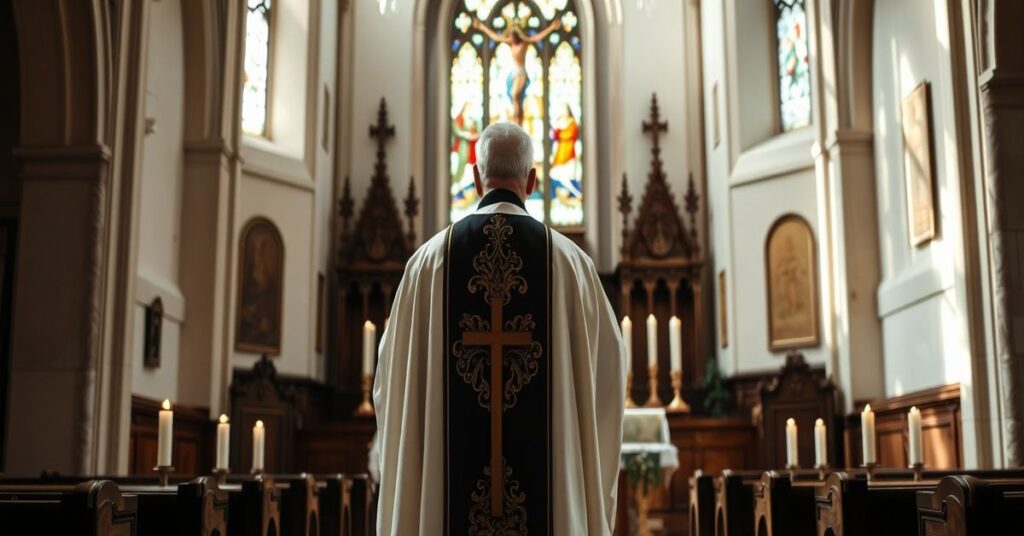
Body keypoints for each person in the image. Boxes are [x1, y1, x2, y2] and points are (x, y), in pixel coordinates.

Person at [374, 122, 626, 535]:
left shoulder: (424, 265)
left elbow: (388, 384)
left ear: (474, 177)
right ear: (532, 179)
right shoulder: (572, 266)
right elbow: (609, 383)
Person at [473, 16, 562, 124]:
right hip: (514, 74)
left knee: (515, 94)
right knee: (515, 97)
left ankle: (518, 121)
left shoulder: (524, 43)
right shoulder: (510, 42)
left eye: (514, 37)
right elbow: (495, 37)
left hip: (521, 73)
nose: (512, 39)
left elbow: (538, 37)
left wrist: (552, 27)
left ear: (518, 36)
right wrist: (481, 26)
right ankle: (517, 119)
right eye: (511, 37)